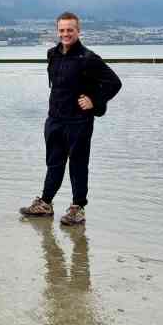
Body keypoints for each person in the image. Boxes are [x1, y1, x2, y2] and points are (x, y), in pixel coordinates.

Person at [20, 12, 122, 225]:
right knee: (54, 163)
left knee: (78, 164)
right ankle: (45, 204)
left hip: (79, 122)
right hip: (55, 119)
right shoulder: (52, 54)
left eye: (70, 30)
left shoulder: (88, 58)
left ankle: (78, 208)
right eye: (62, 30)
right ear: (57, 31)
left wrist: (94, 100)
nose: (66, 34)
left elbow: (114, 83)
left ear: (78, 31)